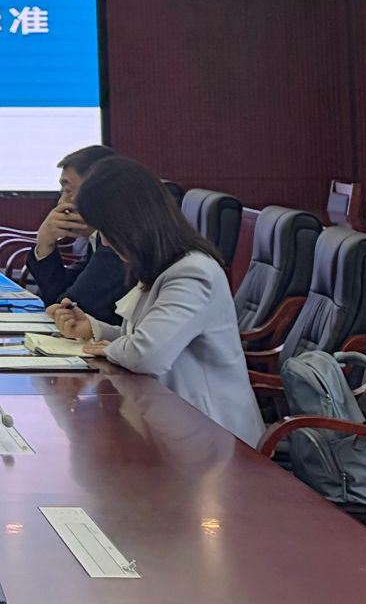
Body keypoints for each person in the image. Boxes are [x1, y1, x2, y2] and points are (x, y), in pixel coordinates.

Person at [48, 157, 265, 446]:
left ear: (131, 222)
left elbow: (147, 353)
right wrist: (95, 329)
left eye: (107, 232)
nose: (107, 243)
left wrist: (110, 347)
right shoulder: (158, 265)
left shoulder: (192, 272)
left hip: (214, 436)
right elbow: (145, 336)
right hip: (170, 423)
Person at [27, 144, 128, 325]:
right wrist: (45, 244)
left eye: (68, 191)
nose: (61, 202)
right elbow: (58, 296)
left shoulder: (119, 244)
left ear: (100, 193)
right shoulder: (97, 238)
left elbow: (67, 309)